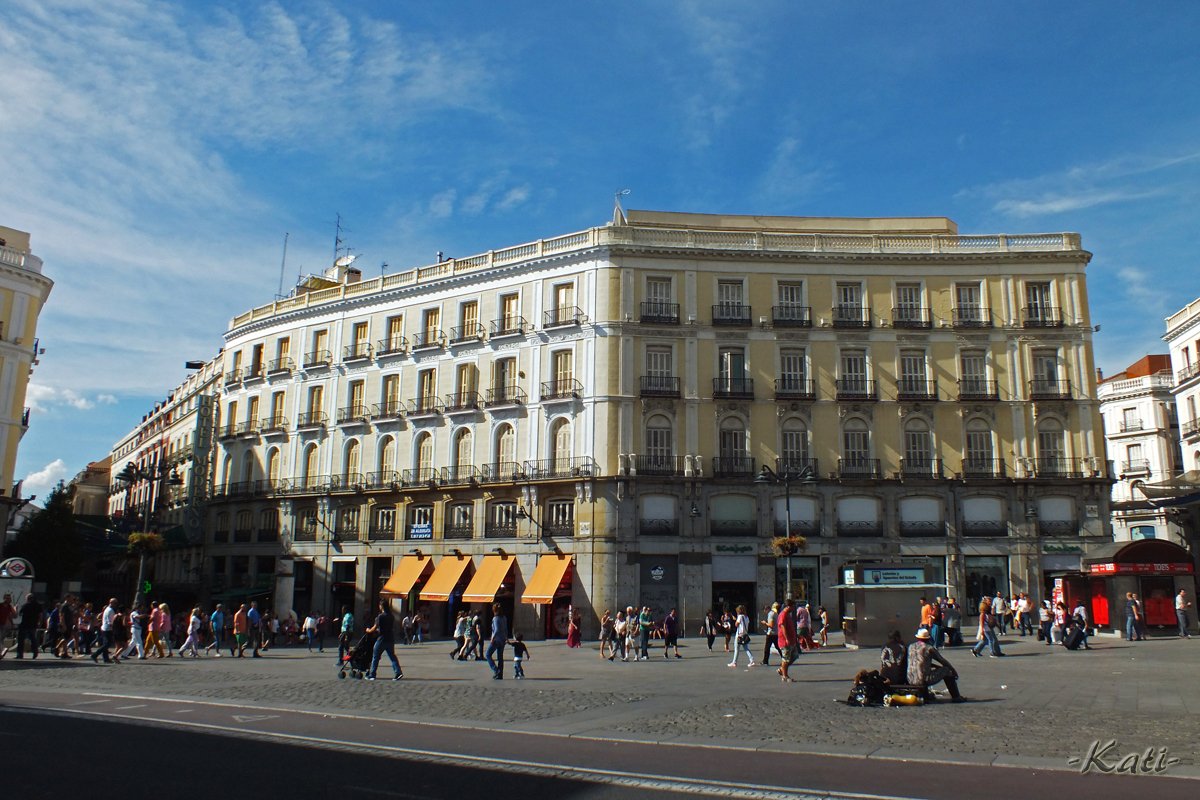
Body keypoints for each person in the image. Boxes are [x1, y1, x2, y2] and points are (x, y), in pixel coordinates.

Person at [907, 628, 965, 701]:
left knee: (925, 672)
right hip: (923, 680)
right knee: (947, 670)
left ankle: (926, 694)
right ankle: (956, 697)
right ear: (928, 638)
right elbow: (942, 660)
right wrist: (953, 670)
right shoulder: (928, 648)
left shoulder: (910, 647)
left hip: (910, 679)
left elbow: (920, 662)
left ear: (917, 637)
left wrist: (936, 666)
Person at [365, 599, 403, 681]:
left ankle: (372, 674)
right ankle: (398, 672)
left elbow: (374, 628)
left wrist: (368, 630)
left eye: (379, 605)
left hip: (381, 639)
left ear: (381, 606)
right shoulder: (391, 616)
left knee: (375, 656)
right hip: (390, 639)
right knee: (392, 656)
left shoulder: (380, 616)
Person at [776, 598, 798, 683]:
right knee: (785, 659)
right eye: (792, 607)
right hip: (785, 641)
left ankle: (782, 669)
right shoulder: (783, 614)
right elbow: (782, 627)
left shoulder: (788, 614)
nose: (793, 609)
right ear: (788, 606)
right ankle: (785, 676)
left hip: (791, 640)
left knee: (794, 656)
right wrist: (787, 638)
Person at [91, 598, 119, 664]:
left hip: (104, 628)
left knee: (105, 644)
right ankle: (95, 655)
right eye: (115, 603)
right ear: (111, 602)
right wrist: (113, 628)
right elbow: (110, 621)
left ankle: (106, 658)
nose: (116, 604)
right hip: (108, 629)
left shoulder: (107, 609)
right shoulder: (111, 610)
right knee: (107, 644)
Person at [485, 602, 508, 679]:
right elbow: (505, 629)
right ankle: (500, 674)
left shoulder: (495, 618)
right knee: (500, 657)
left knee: (488, 654)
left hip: (496, 639)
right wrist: (506, 637)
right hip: (502, 639)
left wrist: (492, 637)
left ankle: (496, 670)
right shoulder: (504, 617)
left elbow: (496, 629)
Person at [14, 593, 40, 659]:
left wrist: (15, 608)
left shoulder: (25, 605)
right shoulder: (38, 605)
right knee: (33, 639)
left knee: (21, 640)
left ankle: (20, 654)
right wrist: (39, 622)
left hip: (25, 625)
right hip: (33, 625)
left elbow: (20, 614)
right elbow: (41, 615)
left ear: (27, 599)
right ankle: (35, 652)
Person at [0, 593, 16, 659]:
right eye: (8, 598)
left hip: (3, 625)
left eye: (10, 598)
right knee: (0, 639)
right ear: (4, 599)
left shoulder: (9, 607)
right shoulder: (1, 605)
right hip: (2, 624)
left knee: (0, 639)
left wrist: (12, 624)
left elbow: (13, 616)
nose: (10, 600)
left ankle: (3, 649)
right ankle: (1, 653)